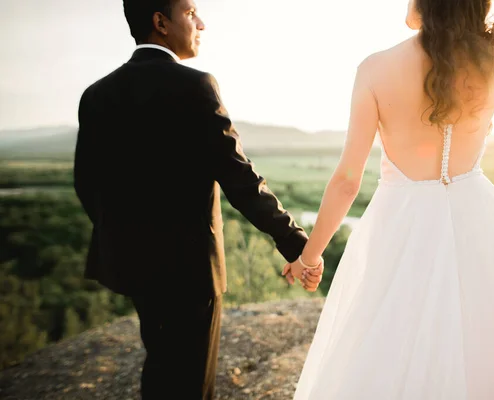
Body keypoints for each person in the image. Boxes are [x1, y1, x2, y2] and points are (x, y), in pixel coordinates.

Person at [290, 0, 494, 398]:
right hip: (479, 214)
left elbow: (348, 181)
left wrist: (310, 257)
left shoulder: (375, 69)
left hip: (401, 224)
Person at [73, 0, 323, 398]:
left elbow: (86, 183)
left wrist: (122, 237)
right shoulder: (196, 86)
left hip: (131, 264)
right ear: (161, 23)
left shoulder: (96, 94)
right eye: (190, 13)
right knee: (191, 382)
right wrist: (296, 243)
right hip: (190, 271)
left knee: (160, 364)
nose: (201, 23)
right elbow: (242, 181)